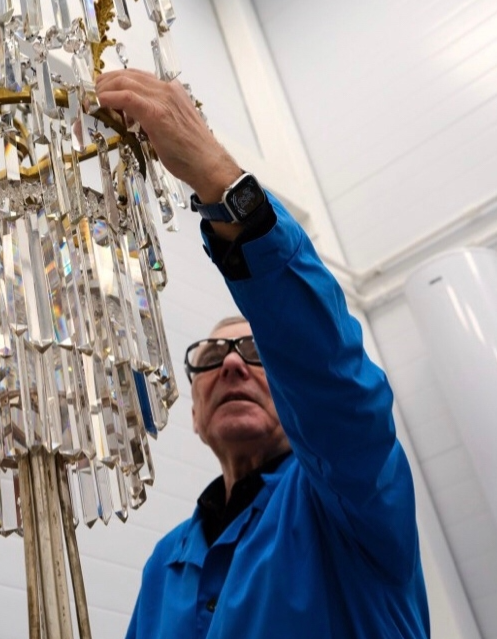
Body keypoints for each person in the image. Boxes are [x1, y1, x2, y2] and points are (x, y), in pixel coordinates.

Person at [96, 69, 429, 639]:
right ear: (195, 415)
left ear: (291, 389)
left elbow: (332, 381)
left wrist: (219, 179)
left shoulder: (352, 498)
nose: (230, 363)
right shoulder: (164, 567)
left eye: (254, 351)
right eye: (211, 355)